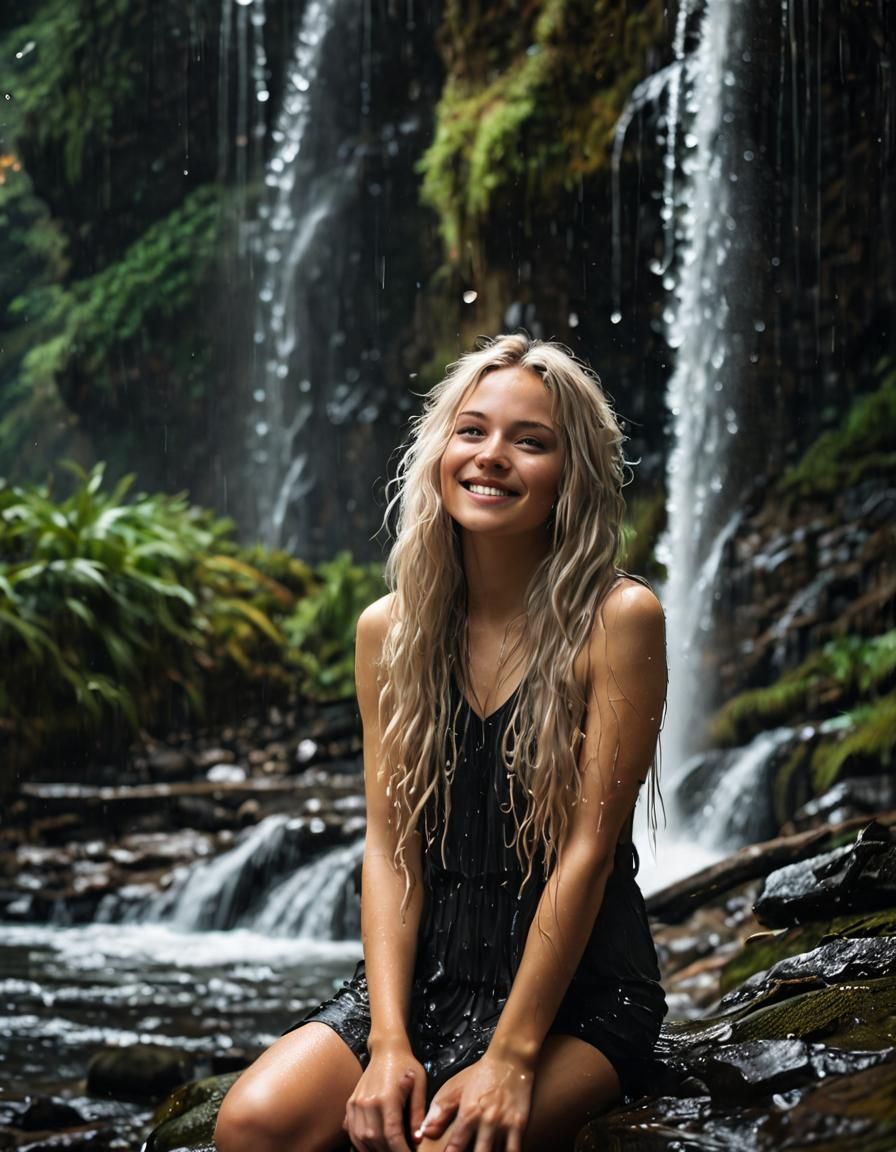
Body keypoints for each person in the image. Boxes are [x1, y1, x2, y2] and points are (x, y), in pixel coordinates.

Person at [214, 333, 667, 1152]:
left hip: (581, 1002)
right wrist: (388, 1043)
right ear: (438, 451)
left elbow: (588, 854)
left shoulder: (618, 619)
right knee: (252, 1125)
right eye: (473, 431)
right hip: (425, 985)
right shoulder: (389, 631)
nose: (493, 456)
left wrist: (512, 1056)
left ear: (574, 475)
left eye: (531, 442)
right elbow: (391, 851)